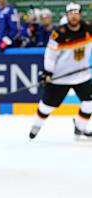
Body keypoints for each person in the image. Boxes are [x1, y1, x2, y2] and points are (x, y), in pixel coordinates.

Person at [29, 2, 92, 140]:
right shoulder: (59, 33)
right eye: (71, 14)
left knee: (89, 104)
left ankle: (80, 128)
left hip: (82, 75)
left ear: (80, 15)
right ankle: (37, 125)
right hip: (60, 77)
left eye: (76, 13)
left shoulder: (89, 29)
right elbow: (50, 55)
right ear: (66, 15)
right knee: (46, 106)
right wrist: (48, 72)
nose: (73, 16)